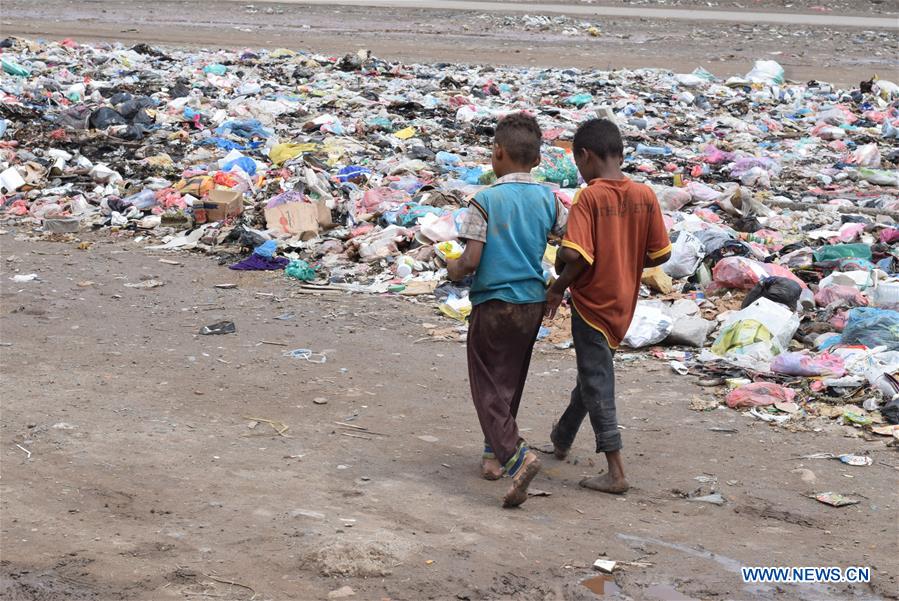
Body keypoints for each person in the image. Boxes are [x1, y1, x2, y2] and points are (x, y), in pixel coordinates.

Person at [447, 112, 567, 508]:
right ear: (536, 160)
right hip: (531, 304)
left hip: (493, 302)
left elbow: (472, 260)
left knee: (485, 384)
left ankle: (516, 457)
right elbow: (572, 243)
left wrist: (451, 267)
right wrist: (558, 284)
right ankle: (492, 455)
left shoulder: (484, 200)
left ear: (496, 153)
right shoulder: (549, 199)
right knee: (508, 379)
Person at [544, 118, 671, 494]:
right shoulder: (645, 194)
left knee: (597, 378)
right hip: (623, 301)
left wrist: (556, 286)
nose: (579, 172)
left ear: (584, 156)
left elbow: (577, 255)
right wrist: (623, 260)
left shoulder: (589, 197)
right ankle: (562, 436)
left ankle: (615, 470)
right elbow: (659, 254)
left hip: (592, 302)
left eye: (577, 163)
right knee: (592, 370)